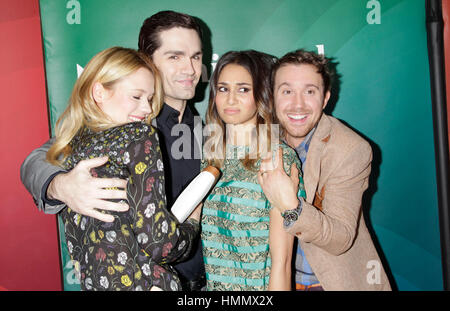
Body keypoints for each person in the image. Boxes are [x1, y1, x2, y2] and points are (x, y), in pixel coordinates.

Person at [20, 11, 206, 291]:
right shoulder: (118, 125)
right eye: (175, 57)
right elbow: (34, 162)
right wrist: (61, 185)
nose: (190, 69)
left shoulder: (208, 128)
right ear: (148, 61)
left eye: (196, 56)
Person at [257, 49, 391, 291]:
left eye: (310, 92)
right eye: (287, 91)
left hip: (325, 282)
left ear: (325, 98)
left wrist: (292, 208)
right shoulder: (260, 139)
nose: (298, 104)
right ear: (273, 97)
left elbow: (341, 237)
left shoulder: (350, 149)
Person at [201, 50, 305, 291]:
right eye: (223, 88)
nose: (230, 99)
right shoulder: (211, 156)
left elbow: (282, 263)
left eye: (243, 89)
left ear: (262, 95)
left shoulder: (277, 159)